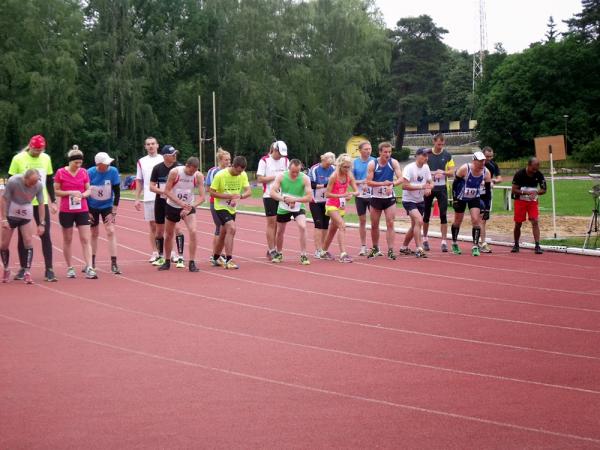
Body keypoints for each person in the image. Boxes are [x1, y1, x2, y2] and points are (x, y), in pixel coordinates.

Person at [7, 134, 58, 281]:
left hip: (40, 203)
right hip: (21, 203)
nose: (38, 152)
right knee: (23, 236)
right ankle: (23, 268)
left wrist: (53, 200)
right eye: (36, 150)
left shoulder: (46, 158)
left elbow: (49, 180)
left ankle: (49, 269)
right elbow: (10, 180)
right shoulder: (18, 159)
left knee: (45, 234)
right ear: (30, 146)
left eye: (41, 150)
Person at [54, 147, 97, 278]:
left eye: (80, 163)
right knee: (68, 239)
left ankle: (89, 266)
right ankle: (70, 267)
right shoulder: (61, 172)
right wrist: (69, 193)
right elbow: (56, 191)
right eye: (75, 163)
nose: (78, 165)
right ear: (70, 161)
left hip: (82, 209)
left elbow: (89, 190)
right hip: (66, 210)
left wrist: (83, 195)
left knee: (85, 239)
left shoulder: (83, 172)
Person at [158, 157, 205, 272]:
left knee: (193, 231)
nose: (192, 173)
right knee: (169, 234)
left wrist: (190, 207)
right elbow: (167, 191)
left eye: (194, 171)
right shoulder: (175, 172)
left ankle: (192, 262)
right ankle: (167, 261)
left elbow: (203, 197)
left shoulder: (198, 176)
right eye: (190, 171)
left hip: (188, 207)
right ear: (186, 166)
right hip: (173, 206)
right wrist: (180, 203)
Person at [0, 170, 45, 284]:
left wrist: (42, 223)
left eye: (36, 181)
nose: (34, 184)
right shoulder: (13, 181)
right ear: (25, 178)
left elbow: (41, 204)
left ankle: (27, 272)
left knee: (28, 241)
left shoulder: (39, 185)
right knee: (4, 244)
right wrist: (4, 218)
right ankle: (6, 269)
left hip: (25, 212)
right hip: (11, 213)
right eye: (31, 182)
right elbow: (4, 199)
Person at [209, 156, 252, 269]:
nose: (239, 173)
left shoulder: (243, 174)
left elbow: (249, 191)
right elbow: (212, 192)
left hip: (232, 208)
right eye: (238, 171)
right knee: (232, 228)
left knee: (223, 234)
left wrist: (240, 196)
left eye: (242, 171)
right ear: (233, 165)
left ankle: (215, 257)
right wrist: (228, 196)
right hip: (220, 207)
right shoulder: (220, 175)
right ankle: (229, 260)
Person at [269, 159, 313, 264]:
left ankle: (303, 255)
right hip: (284, 206)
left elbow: (309, 197)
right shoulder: (281, 176)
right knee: (280, 231)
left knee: (302, 226)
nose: (295, 174)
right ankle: (279, 253)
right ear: (289, 168)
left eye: (297, 171)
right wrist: (284, 199)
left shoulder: (305, 178)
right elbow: (272, 192)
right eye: (293, 171)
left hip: (298, 205)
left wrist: (295, 200)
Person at [149, 145, 186, 268]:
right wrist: (163, 192)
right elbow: (151, 186)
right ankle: (160, 256)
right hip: (161, 201)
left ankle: (180, 257)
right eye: (172, 154)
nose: (175, 156)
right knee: (159, 231)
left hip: (175, 202)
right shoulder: (157, 168)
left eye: (176, 153)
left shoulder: (180, 168)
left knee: (177, 229)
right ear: (165, 156)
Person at [450, 151, 492, 256]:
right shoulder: (465, 168)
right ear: (474, 161)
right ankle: (454, 243)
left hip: (474, 197)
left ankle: (475, 246)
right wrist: (455, 199)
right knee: (458, 221)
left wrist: (487, 208)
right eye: (480, 161)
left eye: (484, 161)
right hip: (461, 197)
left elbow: (487, 192)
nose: (482, 163)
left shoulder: (486, 172)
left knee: (475, 220)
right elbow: (455, 184)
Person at [366, 141, 403, 260]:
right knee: (374, 225)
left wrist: (392, 184)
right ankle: (375, 248)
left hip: (389, 198)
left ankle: (391, 250)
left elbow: (401, 178)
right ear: (380, 152)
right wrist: (382, 183)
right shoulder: (373, 164)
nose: (388, 154)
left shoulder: (393, 162)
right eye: (385, 152)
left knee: (390, 223)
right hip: (376, 198)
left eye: (390, 152)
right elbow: (368, 182)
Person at [87, 152, 121, 274]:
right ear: (99, 164)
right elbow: (84, 191)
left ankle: (114, 263)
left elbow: (117, 192)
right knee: (94, 233)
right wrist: (87, 211)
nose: (109, 165)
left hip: (107, 205)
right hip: (92, 206)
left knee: (110, 230)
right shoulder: (89, 173)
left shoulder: (113, 171)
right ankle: (91, 262)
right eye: (106, 163)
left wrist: (114, 210)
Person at [321, 154, 358, 263]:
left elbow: (356, 191)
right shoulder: (334, 176)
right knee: (342, 225)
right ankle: (343, 254)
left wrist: (351, 194)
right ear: (340, 166)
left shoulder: (349, 176)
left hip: (341, 206)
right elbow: (327, 194)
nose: (347, 169)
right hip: (331, 204)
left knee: (332, 230)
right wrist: (340, 196)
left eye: (349, 167)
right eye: (345, 167)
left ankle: (323, 251)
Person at [422, 133, 454, 252]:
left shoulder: (447, 155)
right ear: (434, 142)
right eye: (438, 144)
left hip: (442, 188)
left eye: (442, 144)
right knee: (426, 214)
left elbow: (452, 172)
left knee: (443, 214)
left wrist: (443, 173)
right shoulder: (427, 154)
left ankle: (444, 241)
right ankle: (425, 239)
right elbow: (421, 168)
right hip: (429, 188)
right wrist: (429, 179)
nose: (440, 146)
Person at [256, 141, 289, 259]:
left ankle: (274, 248)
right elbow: (260, 179)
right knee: (272, 223)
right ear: (274, 150)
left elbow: (289, 176)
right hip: (269, 195)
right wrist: (276, 177)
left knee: (280, 224)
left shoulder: (285, 161)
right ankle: (271, 249)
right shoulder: (264, 160)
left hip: (282, 196)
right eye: (279, 153)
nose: (281, 156)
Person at [134, 137, 164, 263]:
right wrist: (137, 198)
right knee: (152, 226)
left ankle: (170, 251)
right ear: (145, 147)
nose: (151, 146)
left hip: (163, 196)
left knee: (167, 225)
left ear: (157, 145)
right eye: (148, 144)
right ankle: (155, 252)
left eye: (153, 144)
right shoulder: (141, 161)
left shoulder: (164, 158)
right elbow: (139, 180)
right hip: (149, 196)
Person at [400, 148, 434, 258]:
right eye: (424, 155)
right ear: (417, 156)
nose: (426, 158)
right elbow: (404, 185)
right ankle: (419, 248)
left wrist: (429, 188)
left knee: (415, 224)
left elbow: (430, 181)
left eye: (427, 155)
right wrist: (421, 186)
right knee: (419, 220)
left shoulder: (426, 167)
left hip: (420, 200)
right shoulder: (409, 168)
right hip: (409, 200)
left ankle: (404, 247)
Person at [511, 157, 547, 254]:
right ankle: (516, 244)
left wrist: (536, 193)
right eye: (534, 168)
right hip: (520, 201)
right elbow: (514, 189)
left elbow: (544, 189)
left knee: (535, 221)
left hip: (532, 201)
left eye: (537, 168)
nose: (535, 170)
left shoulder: (539, 174)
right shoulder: (519, 174)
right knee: (518, 223)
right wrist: (525, 193)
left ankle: (537, 245)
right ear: (529, 165)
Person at [205, 148, 231, 267]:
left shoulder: (231, 172)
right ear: (220, 160)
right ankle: (215, 255)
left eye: (229, 159)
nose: (228, 162)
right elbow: (208, 188)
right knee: (220, 228)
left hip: (227, 204)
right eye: (226, 160)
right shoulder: (214, 171)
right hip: (215, 202)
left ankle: (217, 254)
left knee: (223, 229)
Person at [308, 152, 335, 257]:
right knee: (318, 224)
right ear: (323, 160)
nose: (328, 166)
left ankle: (323, 249)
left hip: (327, 201)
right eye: (327, 164)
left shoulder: (333, 169)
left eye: (330, 164)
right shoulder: (314, 169)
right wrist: (324, 185)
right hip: (315, 201)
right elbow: (311, 184)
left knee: (325, 225)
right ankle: (317, 250)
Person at [352, 141, 376, 256]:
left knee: (374, 221)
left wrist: (369, 183)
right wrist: (361, 182)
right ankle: (363, 246)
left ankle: (376, 246)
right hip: (360, 196)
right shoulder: (354, 163)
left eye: (370, 149)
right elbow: (350, 180)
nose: (368, 151)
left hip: (373, 195)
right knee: (362, 221)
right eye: (366, 149)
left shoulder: (375, 161)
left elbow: (378, 176)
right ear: (360, 150)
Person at [479, 146, 503, 253]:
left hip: (487, 193)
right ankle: (482, 242)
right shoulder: (477, 164)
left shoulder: (493, 165)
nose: (489, 158)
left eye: (490, 156)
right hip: (477, 193)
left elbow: (500, 178)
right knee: (480, 219)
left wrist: (492, 181)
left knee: (484, 219)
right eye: (487, 156)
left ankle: (480, 241)